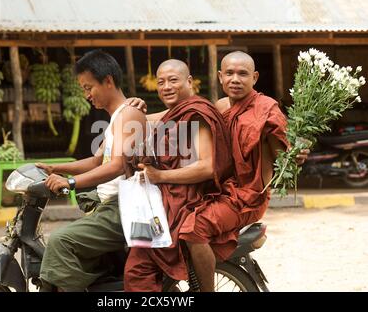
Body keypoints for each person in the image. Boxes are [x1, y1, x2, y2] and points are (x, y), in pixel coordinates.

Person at [126, 51, 309, 292]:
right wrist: (133, 113)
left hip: (248, 197)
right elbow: (174, 116)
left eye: (242, 74)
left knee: (193, 229)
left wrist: (297, 156)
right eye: (229, 74)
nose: (235, 79)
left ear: (254, 78)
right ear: (220, 77)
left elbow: (284, 159)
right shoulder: (221, 106)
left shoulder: (267, 109)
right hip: (221, 190)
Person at [36, 49, 146, 291]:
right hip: (109, 205)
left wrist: (71, 183)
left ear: (108, 81)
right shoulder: (118, 116)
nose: (86, 95)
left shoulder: (129, 113)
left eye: (88, 88)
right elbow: (97, 162)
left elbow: (117, 166)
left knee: (60, 241)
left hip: (122, 208)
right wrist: (55, 167)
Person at [123, 59, 237, 291]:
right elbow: (143, 121)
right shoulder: (176, 112)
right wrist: (128, 110)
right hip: (170, 196)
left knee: (140, 265)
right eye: (161, 82)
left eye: (173, 80)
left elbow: (207, 167)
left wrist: (160, 176)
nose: (166, 87)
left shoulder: (197, 113)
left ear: (189, 81)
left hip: (189, 200)